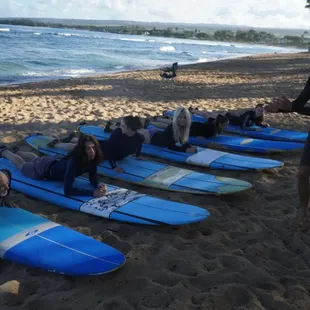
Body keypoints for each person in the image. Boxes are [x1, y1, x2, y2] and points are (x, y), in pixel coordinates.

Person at [0, 134, 106, 197]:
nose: (92, 151)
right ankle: (5, 152)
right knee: (22, 165)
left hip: (54, 161)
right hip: (45, 169)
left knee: (36, 159)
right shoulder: (75, 162)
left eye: (93, 147)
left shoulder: (93, 158)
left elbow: (93, 176)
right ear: (82, 150)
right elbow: (67, 190)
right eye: (88, 148)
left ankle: (17, 151)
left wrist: (97, 184)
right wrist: (92, 193)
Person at [48, 116, 145, 174]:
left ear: (130, 128)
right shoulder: (118, 132)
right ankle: (56, 144)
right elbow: (109, 150)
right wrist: (114, 167)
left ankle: (73, 138)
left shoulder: (139, 138)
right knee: (78, 147)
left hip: (112, 151)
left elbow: (139, 144)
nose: (120, 127)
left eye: (123, 126)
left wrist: (138, 155)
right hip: (102, 150)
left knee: (87, 142)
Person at [145, 114, 229, 139]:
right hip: (190, 129)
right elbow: (199, 138)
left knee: (172, 123)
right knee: (169, 126)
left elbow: (209, 118)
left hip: (192, 124)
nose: (226, 126)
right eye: (225, 124)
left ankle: (157, 118)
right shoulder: (211, 131)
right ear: (220, 124)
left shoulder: (213, 122)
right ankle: (151, 123)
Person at [188, 105, 269, 130]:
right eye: (259, 110)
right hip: (226, 117)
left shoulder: (258, 117)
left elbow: (257, 123)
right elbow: (243, 127)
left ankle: (195, 110)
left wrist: (263, 125)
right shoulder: (249, 114)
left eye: (261, 111)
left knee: (209, 113)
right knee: (207, 115)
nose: (260, 112)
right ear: (255, 109)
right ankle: (193, 111)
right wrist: (254, 129)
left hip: (228, 115)